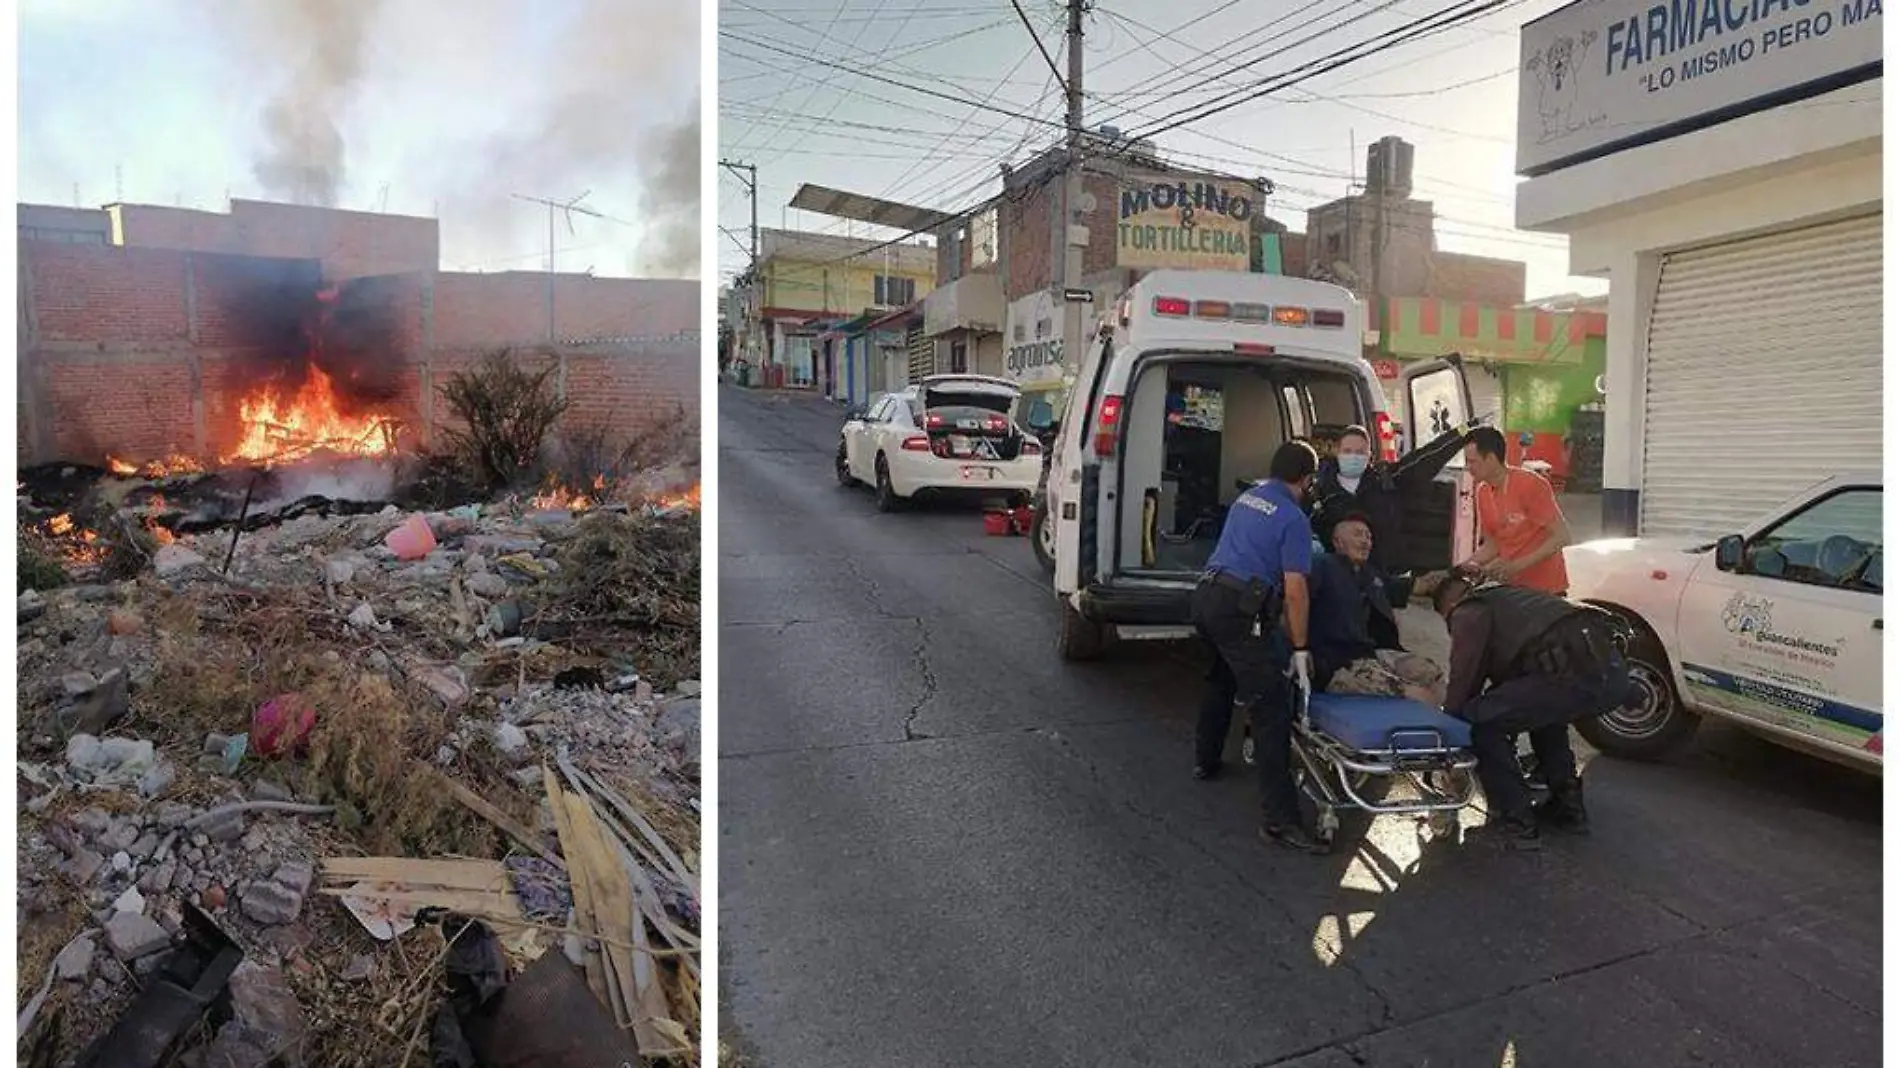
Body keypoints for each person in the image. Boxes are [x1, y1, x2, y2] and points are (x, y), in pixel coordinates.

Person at [1428, 568, 1632, 848]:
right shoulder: (1512, 597)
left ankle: (1515, 821)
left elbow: (1464, 683)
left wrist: (1447, 731)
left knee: (1480, 722)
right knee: (1544, 716)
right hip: (1613, 674)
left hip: (1570, 673)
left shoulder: (1469, 610)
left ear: (1448, 606)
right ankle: (1569, 809)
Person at [1191, 440, 1326, 854]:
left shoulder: (1249, 497)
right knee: (1271, 708)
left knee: (1221, 678)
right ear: (1307, 479)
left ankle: (1206, 760)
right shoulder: (1293, 518)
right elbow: (1296, 590)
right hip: (1237, 609)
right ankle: (1280, 821)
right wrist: (1301, 648)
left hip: (1206, 598)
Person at [1310, 513, 1445, 706]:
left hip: (1375, 655)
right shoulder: (1322, 566)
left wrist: (1454, 573)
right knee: (1414, 694)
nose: (1365, 541)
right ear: (1337, 541)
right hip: (1339, 663)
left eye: (1369, 537)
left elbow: (1417, 586)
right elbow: (1294, 600)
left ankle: (1451, 728)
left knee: (1431, 674)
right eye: (1358, 535)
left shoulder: (1371, 575)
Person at [1309, 423, 1467, 576]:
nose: (1354, 457)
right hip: (1339, 576)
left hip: (1385, 576)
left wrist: (1463, 433)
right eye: (1348, 451)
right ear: (1337, 451)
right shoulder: (1321, 490)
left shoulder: (1384, 481)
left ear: (1369, 455)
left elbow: (1428, 457)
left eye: (1360, 452)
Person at [1459, 426, 1571, 595]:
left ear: (1490, 458)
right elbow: (1493, 544)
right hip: (1512, 590)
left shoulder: (1531, 485)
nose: (1468, 467)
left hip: (1546, 591)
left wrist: (1515, 566)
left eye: (1472, 461)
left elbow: (1562, 537)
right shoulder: (1482, 491)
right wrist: (1468, 564)